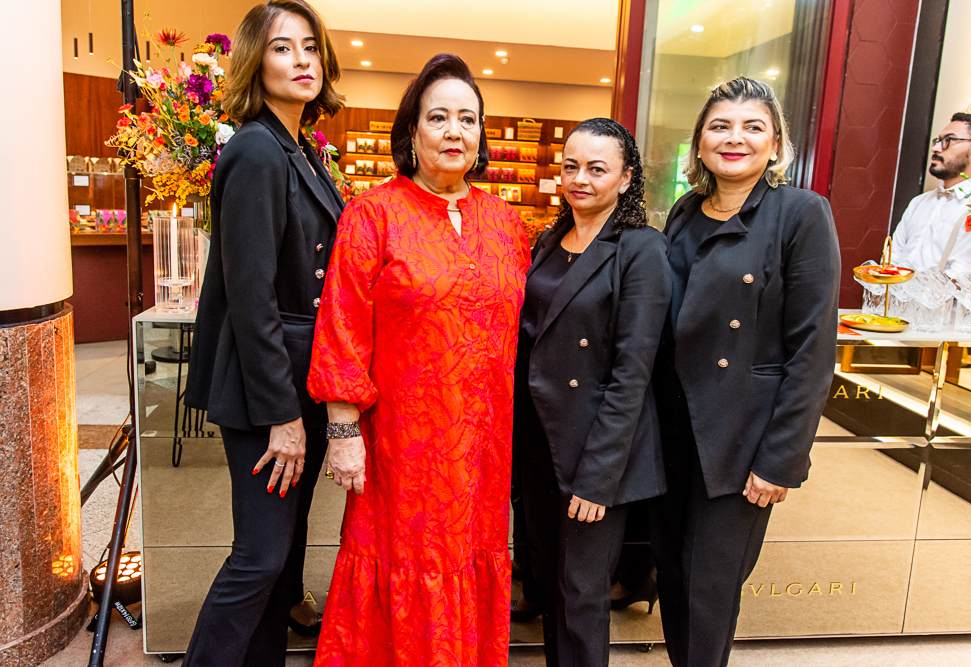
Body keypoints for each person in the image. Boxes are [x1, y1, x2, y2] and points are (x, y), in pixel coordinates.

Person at [307, 53, 531, 666]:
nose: (455, 131)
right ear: (412, 131)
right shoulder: (373, 214)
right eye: (439, 117)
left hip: (483, 445)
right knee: (401, 557)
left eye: (468, 118)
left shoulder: (505, 222)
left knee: (471, 552)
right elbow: (342, 327)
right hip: (402, 444)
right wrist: (343, 433)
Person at [648, 77, 840, 667]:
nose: (735, 138)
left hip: (740, 436)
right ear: (699, 143)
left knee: (709, 586)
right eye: (720, 126)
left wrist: (781, 459)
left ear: (775, 144)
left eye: (753, 126)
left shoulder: (801, 213)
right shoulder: (685, 211)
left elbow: (813, 351)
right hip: (671, 429)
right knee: (672, 572)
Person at [181, 1, 345, 664]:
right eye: (283, 48)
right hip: (267, 387)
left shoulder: (296, 147)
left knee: (285, 555)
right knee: (260, 556)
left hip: (298, 376)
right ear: (256, 61)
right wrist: (283, 415)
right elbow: (251, 299)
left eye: (310, 47)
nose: (302, 60)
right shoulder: (255, 150)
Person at [513, 117, 670, 667]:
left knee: (581, 594)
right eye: (571, 166)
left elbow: (633, 374)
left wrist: (599, 479)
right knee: (548, 583)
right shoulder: (551, 239)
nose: (580, 179)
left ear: (626, 179)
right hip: (539, 441)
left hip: (595, 452)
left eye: (597, 169)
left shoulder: (642, 249)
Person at [892, 112, 971, 374]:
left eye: (948, 140)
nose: (937, 148)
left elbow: (962, 275)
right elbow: (893, 260)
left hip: (946, 336)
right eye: (938, 140)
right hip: (897, 326)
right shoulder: (919, 202)